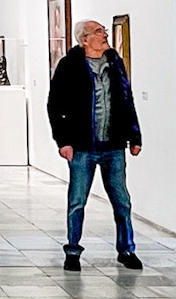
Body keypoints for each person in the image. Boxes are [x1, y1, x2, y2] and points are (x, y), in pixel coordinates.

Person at [48, 19, 143, 272]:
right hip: (82, 147)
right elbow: (55, 105)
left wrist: (135, 137)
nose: (105, 35)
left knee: (122, 201)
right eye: (99, 32)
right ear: (85, 39)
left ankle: (126, 250)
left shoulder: (114, 62)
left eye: (104, 31)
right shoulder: (69, 65)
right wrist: (63, 141)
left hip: (113, 146)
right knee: (77, 201)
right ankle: (72, 251)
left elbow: (126, 99)